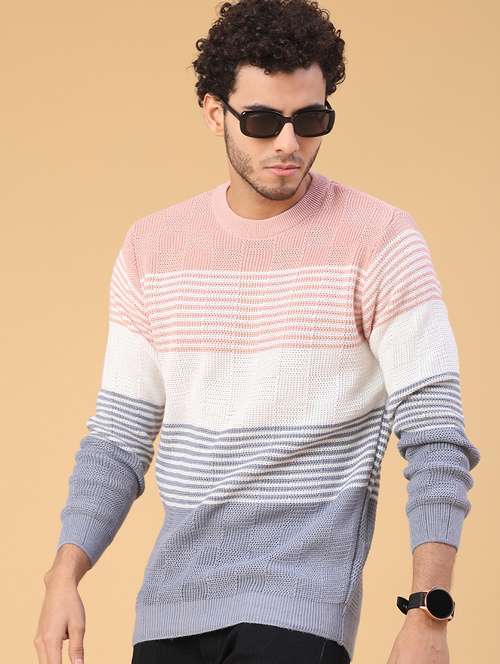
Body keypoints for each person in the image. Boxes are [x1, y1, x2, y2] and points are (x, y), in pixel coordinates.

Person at [34, 1, 480, 663]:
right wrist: (63, 575)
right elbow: (120, 439)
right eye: (264, 121)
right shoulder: (152, 248)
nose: (289, 144)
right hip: (168, 616)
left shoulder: (380, 241)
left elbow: (436, 434)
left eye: (311, 120)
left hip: (299, 613)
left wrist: (429, 613)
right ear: (215, 112)